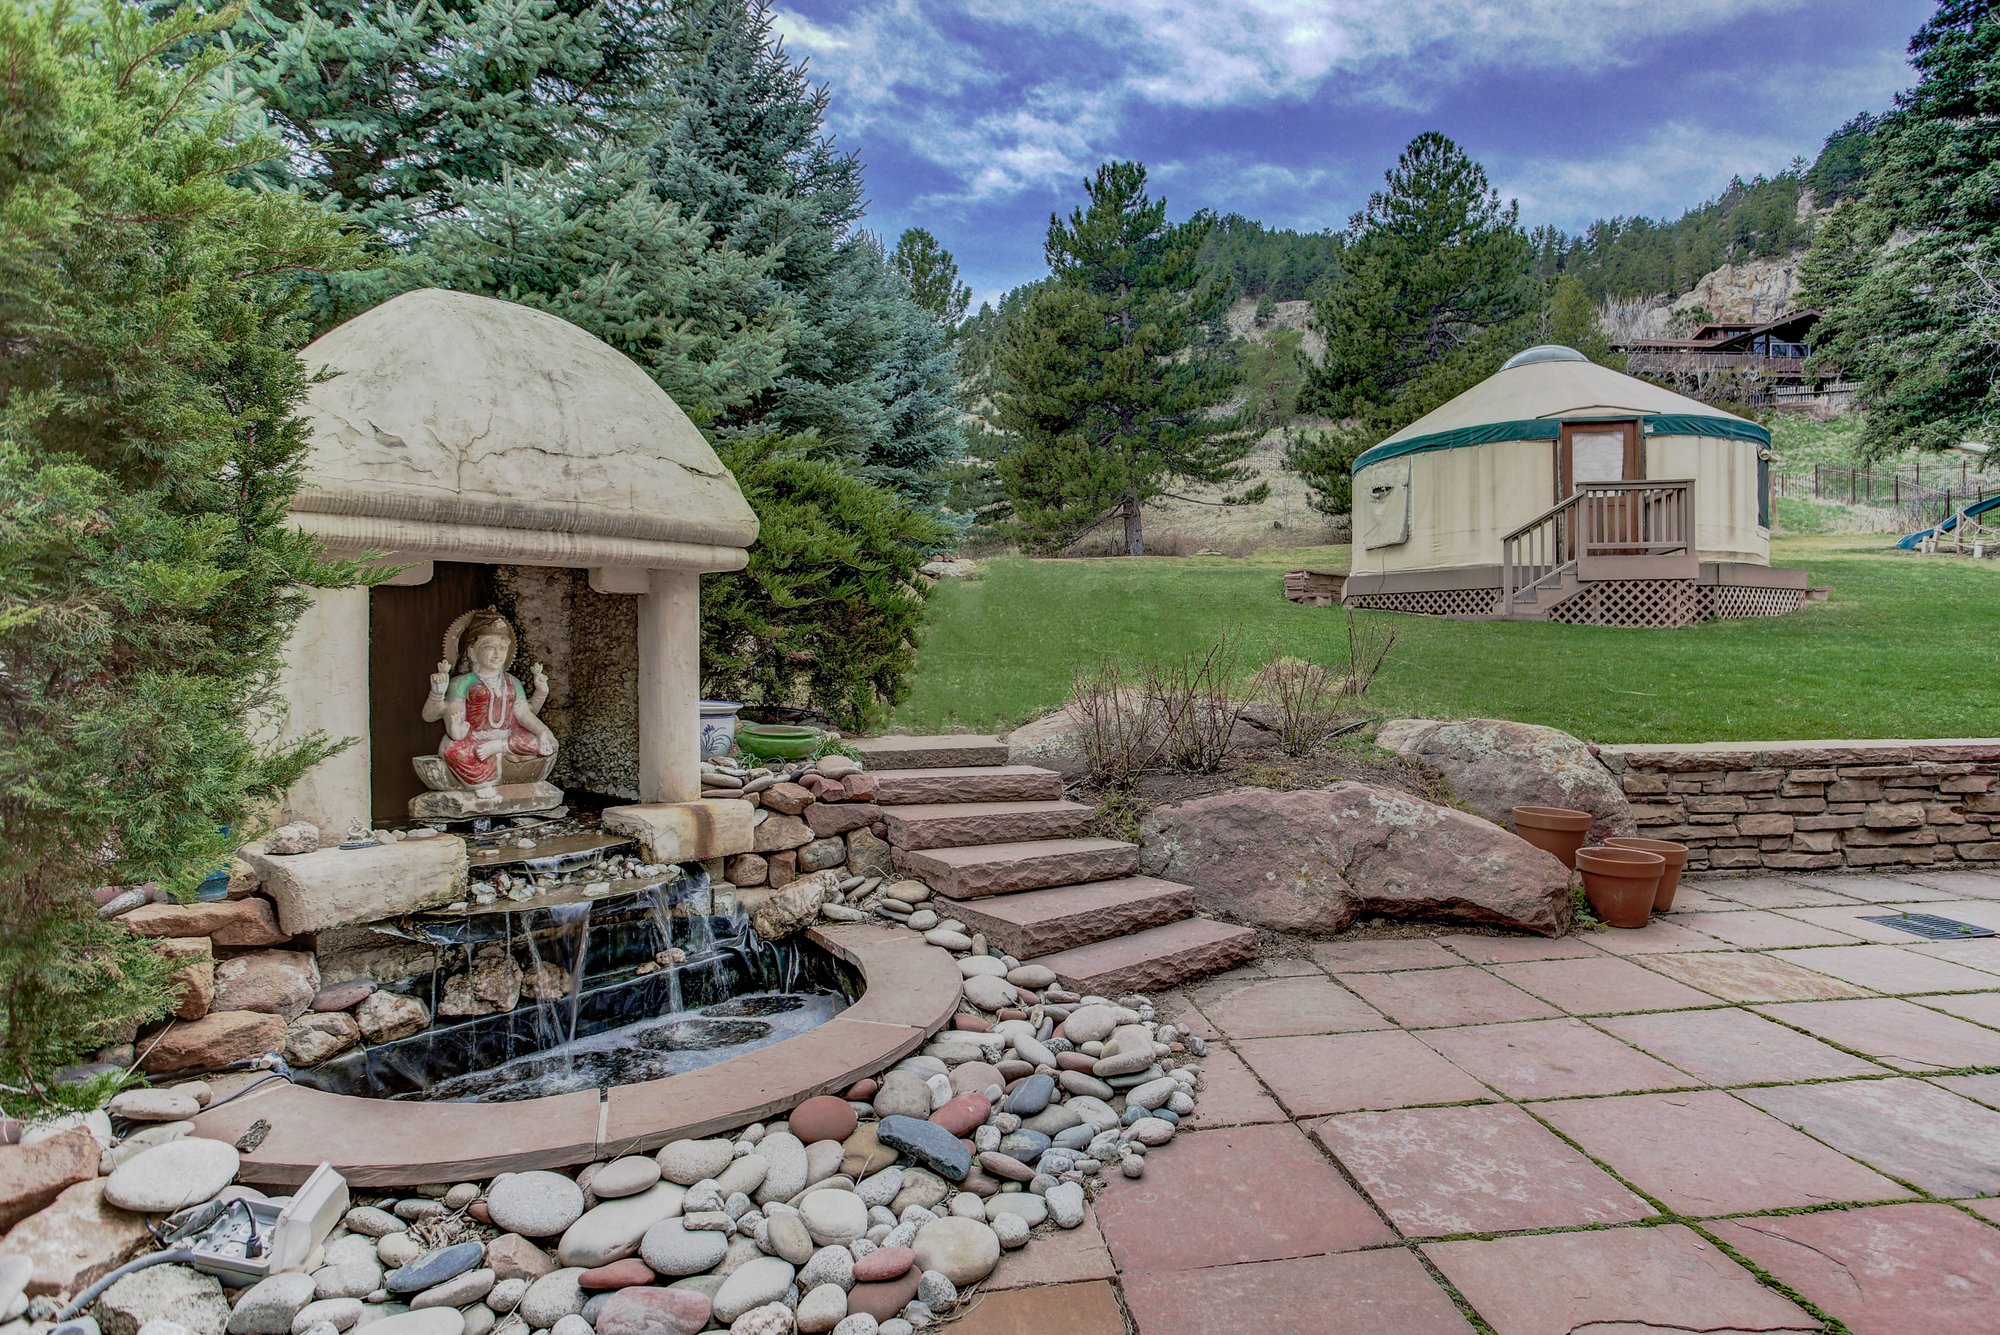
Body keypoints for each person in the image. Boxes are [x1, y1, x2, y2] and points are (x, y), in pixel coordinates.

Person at [424, 611, 556, 797]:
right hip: (475, 739)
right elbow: (436, 719)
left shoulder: (513, 683)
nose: (497, 655)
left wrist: (543, 730)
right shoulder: (461, 683)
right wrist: (437, 694)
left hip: (507, 739)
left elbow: (525, 715)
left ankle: (499, 747)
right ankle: (482, 782)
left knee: (548, 743)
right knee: (453, 750)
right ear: (472, 651)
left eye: (502, 648)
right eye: (489, 647)